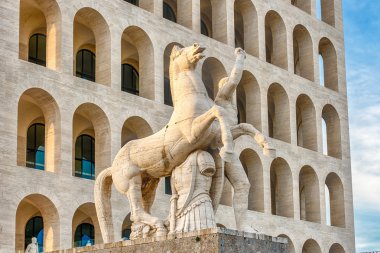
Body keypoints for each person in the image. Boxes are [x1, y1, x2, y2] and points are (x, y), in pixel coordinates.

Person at [214, 48, 271, 232]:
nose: (230, 88)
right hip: (216, 149)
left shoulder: (231, 109)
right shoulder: (221, 100)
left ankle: (242, 225)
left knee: (243, 184)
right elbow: (234, 79)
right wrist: (240, 58)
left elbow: (239, 129)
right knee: (214, 187)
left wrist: (256, 136)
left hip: (228, 152)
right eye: (226, 85)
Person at [169, 150, 217, 233]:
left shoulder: (202, 155)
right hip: (179, 208)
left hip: (199, 203)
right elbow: (174, 196)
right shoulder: (174, 168)